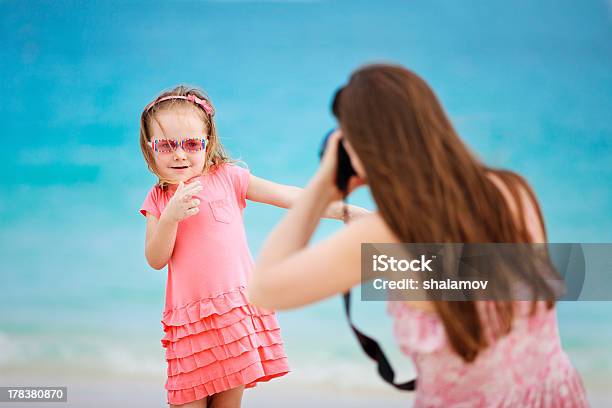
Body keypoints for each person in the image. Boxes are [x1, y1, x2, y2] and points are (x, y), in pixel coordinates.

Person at [248, 64, 588, 407]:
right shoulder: (513, 193)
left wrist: (324, 185)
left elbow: (264, 288)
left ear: (361, 149)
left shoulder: (388, 236)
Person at [138, 85, 366, 407]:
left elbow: (291, 197)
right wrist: (170, 218)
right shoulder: (159, 199)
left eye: (191, 143)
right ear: (150, 150)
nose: (179, 154)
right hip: (190, 325)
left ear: (208, 143)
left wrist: (348, 212)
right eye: (166, 145)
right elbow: (155, 258)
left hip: (235, 316)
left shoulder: (230, 178)